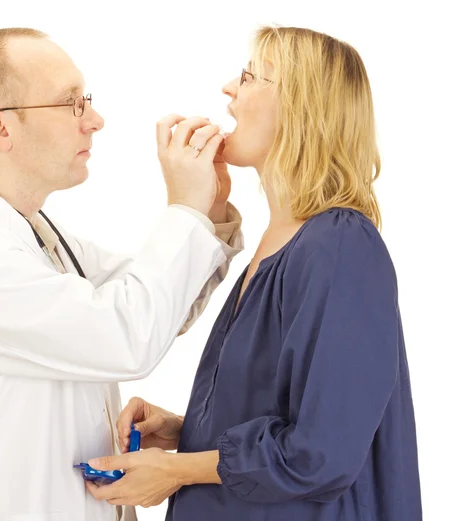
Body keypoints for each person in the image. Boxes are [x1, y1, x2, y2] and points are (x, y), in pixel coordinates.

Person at [0, 28, 244, 521]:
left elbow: (159, 305)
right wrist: (184, 209)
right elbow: (127, 336)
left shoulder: (33, 235)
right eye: (71, 104)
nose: (95, 121)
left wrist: (209, 208)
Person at [86, 26, 422, 521]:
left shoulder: (341, 244)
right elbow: (288, 420)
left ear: (301, 107)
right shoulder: (280, 246)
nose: (228, 90)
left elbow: (320, 453)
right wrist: (183, 432)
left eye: (248, 77)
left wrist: (177, 470)